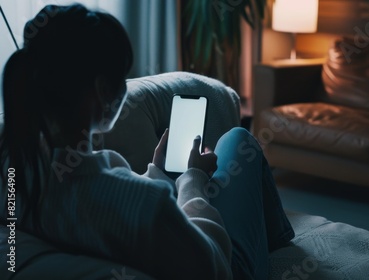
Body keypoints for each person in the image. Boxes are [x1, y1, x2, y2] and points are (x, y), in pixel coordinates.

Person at [0, 4, 294, 280]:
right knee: (238, 139)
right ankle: (279, 241)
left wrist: (157, 172)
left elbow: (103, 203)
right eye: (123, 76)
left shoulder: (13, 170)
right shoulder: (142, 204)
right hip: (228, 267)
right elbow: (213, 266)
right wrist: (193, 181)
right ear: (103, 90)